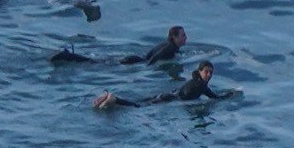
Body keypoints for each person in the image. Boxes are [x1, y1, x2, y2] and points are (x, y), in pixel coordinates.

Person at [93, 59, 225, 109]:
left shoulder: (196, 81)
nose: (209, 75)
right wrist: (232, 94)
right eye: (207, 72)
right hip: (169, 98)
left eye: (211, 73)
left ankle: (109, 98)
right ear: (199, 72)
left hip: (167, 95)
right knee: (138, 106)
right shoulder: (201, 85)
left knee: (137, 102)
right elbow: (215, 97)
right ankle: (113, 99)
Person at [49, 26, 189, 66]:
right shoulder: (170, 48)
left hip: (134, 59)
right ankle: (68, 56)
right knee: (94, 63)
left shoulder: (167, 44)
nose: (185, 38)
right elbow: (153, 59)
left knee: (98, 61)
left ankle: (70, 55)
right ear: (174, 37)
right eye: (182, 35)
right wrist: (145, 70)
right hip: (134, 62)